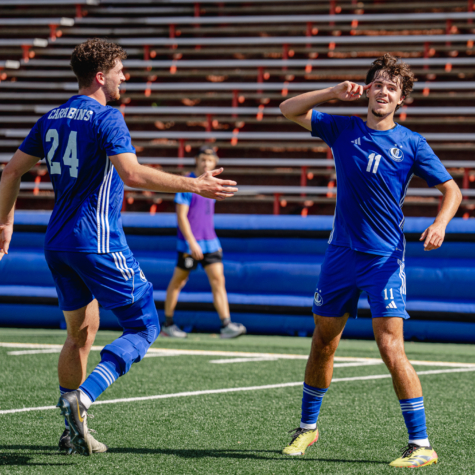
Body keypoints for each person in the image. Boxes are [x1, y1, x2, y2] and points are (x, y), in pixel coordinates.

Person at [0, 38, 237, 456]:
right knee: (145, 326)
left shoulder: (51, 118)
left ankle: (74, 431)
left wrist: (4, 222)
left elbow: (11, 171)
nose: (124, 77)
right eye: (120, 70)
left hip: (57, 243)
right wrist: (194, 184)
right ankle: (83, 397)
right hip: (98, 242)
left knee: (80, 334)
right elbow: (132, 175)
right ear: (100, 75)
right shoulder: (108, 117)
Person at [279, 53, 462, 467]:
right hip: (340, 255)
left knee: (390, 346)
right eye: (378, 83)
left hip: (383, 260)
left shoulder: (412, 142)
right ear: (368, 90)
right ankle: (307, 429)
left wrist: (441, 223)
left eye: (392, 87)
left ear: (401, 100)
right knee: (323, 343)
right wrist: (332, 91)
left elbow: (452, 190)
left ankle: (421, 445)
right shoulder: (342, 127)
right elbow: (287, 109)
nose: (383, 90)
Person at [162, 146, 247, 339]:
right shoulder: (187, 183)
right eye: (202, 159)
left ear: (215, 163)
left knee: (219, 281)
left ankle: (226, 324)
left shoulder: (214, 184)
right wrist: (192, 243)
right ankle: (168, 324)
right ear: (196, 161)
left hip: (210, 243)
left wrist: (213, 240)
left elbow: (205, 217)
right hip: (189, 245)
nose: (206, 163)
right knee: (178, 282)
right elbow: (182, 217)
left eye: (209, 160)